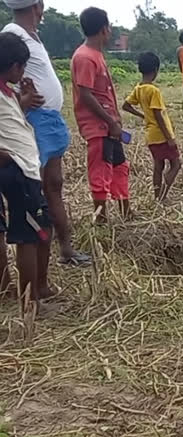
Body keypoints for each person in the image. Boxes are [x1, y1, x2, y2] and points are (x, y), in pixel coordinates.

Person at [2, 0, 91, 266]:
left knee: (53, 185)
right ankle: (40, 268)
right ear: (37, 6)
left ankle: (65, 250)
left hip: (49, 121)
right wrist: (22, 101)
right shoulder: (13, 34)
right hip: (36, 121)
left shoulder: (33, 36)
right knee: (36, 194)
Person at [0, 31, 54, 309]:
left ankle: (39, 290)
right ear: (14, 67)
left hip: (24, 169)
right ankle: (29, 300)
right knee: (29, 235)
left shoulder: (6, 91)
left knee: (42, 228)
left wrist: (23, 98)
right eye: (21, 66)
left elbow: (10, 120)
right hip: (19, 170)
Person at [71, 7, 130, 222]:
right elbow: (85, 94)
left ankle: (126, 212)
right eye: (110, 26)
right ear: (104, 29)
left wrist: (114, 120)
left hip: (109, 126)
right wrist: (109, 120)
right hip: (99, 127)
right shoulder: (85, 57)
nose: (111, 30)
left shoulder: (95, 55)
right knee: (100, 171)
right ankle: (101, 219)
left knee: (120, 167)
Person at [122, 52, 181, 202]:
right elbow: (158, 115)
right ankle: (163, 195)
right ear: (156, 70)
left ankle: (157, 196)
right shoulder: (154, 90)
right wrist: (169, 138)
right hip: (161, 134)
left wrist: (143, 115)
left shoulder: (139, 88)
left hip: (150, 135)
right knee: (176, 164)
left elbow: (126, 106)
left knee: (158, 165)